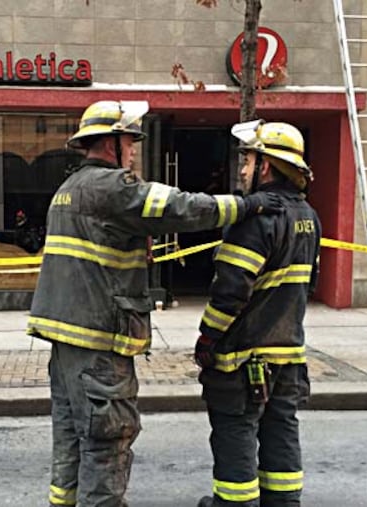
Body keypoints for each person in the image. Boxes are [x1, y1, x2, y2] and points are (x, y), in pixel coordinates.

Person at [26, 100, 284, 507]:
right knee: (107, 437)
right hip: (99, 338)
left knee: (73, 433)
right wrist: (246, 204)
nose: (132, 150)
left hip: (67, 340)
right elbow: (181, 207)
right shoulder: (112, 186)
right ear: (111, 143)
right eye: (130, 141)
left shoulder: (69, 189)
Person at [194, 120, 321, 507]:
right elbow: (308, 285)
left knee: (235, 429)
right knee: (281, 428)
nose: (243, 169)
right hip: (288, 353)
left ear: (266, 165)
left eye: (247, 160)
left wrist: (208, 338)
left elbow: (230, 293)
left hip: (243, 357)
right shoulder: (308, 216)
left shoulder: (256, 219)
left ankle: (234, 503)